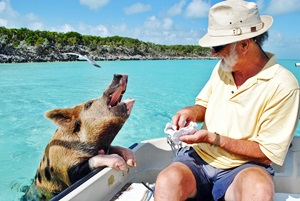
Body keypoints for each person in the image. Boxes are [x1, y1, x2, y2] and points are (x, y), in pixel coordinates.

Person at [154, 1, 300, 201]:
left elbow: (267, 154)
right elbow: (202, 106)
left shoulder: (284, 85)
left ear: (245, 44)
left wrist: (213, 139)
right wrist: (189, 112)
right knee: (166, 181)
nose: (213, 53)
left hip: (244, 167)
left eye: (218, 46)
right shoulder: (223, 67)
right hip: (199, 159)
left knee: (258, 189)